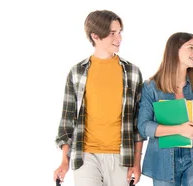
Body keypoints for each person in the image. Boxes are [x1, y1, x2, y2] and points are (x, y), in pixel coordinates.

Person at [52, 10, 145, 186]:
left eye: (119, 32)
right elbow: (67, 122)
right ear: (95, 36)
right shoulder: (77, 72)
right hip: (86, 155)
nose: (119, 38)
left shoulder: (132, 72)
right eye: (112, 33)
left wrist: (136, 162)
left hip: (122, 155)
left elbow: (137, 124)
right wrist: (64, 161)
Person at [137, 32, 193, 186]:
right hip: (163, 161)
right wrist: (179, 130)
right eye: (190, 48)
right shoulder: (151, 87)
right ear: (175, 50)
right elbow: (144, 127)